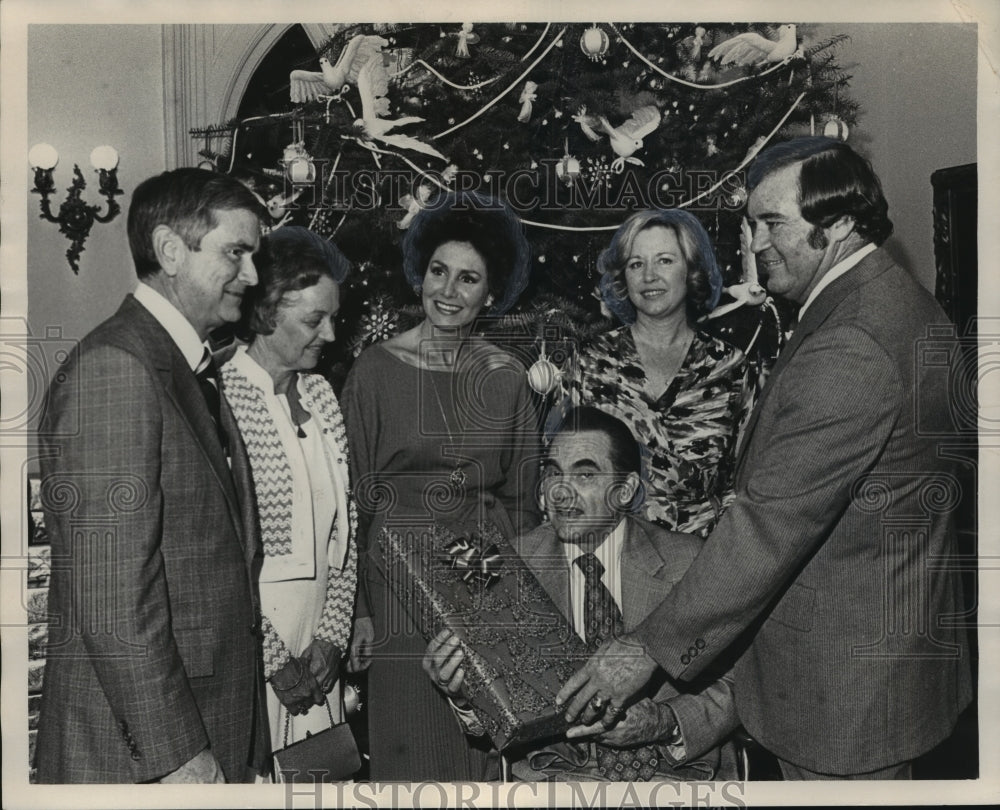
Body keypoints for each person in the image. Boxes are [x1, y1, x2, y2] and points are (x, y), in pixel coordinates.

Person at [555, 137, 974, 779]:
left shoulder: (853, 341)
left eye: (771, 222)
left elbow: (769, 528)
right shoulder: (891, 299)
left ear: (835, 222)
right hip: (886, 661)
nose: (753, 243)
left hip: (842, 695)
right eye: (751, 223)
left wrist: (644, 648)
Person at [35, 168, 269, 783]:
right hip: (143, 756)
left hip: (196, 730)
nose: (251, 276)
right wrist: (181, 758)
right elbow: (112, 600)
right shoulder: (116, 368)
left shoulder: (178, 365)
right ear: (171, 250)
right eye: (236, 253)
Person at [423, 407, 740, 781]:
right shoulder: (510, 565)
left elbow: (737, 684)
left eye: (585, 473)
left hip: (673, 774)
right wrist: (462, 695)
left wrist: (666, 722)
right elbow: (499, 712)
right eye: (553, 472)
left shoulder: (690, 562)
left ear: (625, 491)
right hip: (553, 778)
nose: (560, 491)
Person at [340, 191, 541, 780]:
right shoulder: (374, 371)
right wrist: (357, 610)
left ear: (492, 293)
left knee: (484, 744)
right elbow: (351, 503)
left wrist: (524, 607)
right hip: (395, 584)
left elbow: (524, 501)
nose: (448, 292)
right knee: (412, 748)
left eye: (468, 279)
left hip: (485, 579)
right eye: (438, 272)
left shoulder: (507, 378)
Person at [219, 226, 363, 768]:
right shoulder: (220, 397)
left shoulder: (321, 393)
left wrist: (331, 636)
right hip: (252, 635)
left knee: (322, 779)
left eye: (333, 317)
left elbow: (346, 529)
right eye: (313, 320)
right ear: (266, 311)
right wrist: (275, 658)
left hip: (320, 637)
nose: (329, 333)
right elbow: (219, 553)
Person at [552, 209, 754, 537]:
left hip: (705, 563)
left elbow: (747, 486)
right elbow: (558, 477)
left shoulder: (731, 369)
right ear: (623, 278)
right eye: (636, 264)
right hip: (608, 557)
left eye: (664, 260)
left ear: (690, 270)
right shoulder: (589, 361)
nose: (649, 276)